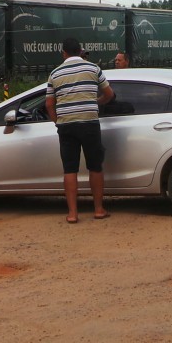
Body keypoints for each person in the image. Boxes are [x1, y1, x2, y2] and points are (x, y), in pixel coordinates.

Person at [46, 38, 115, 224]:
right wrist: (95, 103)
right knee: (95, 166)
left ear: (64, 53)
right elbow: (109, 94)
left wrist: (57, 122)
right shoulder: (93, 69)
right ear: (80, 51)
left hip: (66, 125)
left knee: (69, 169)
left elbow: (49, 103)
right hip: (89, 123)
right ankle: (99, 209)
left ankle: (72, 213)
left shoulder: (55, 73)